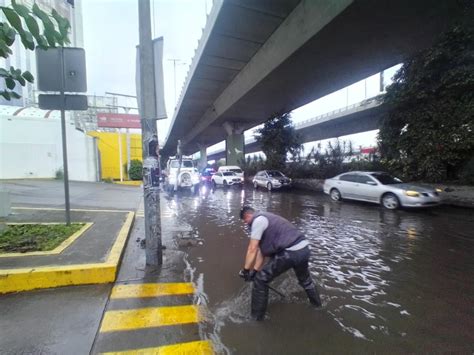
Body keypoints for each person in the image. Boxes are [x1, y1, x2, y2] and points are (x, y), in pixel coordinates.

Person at [238, 206, 322, 320]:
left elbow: (252, 248)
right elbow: (262, 252)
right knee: (305, 280)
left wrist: (246, 270)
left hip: (290, 252)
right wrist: (255, 271)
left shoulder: (257, 221)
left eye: (245, 221)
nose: (246, 224)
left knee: (261, 280)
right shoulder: (267, 218)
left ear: (248, 216)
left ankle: (256, 319)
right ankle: (317, 306)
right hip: (304, 249)